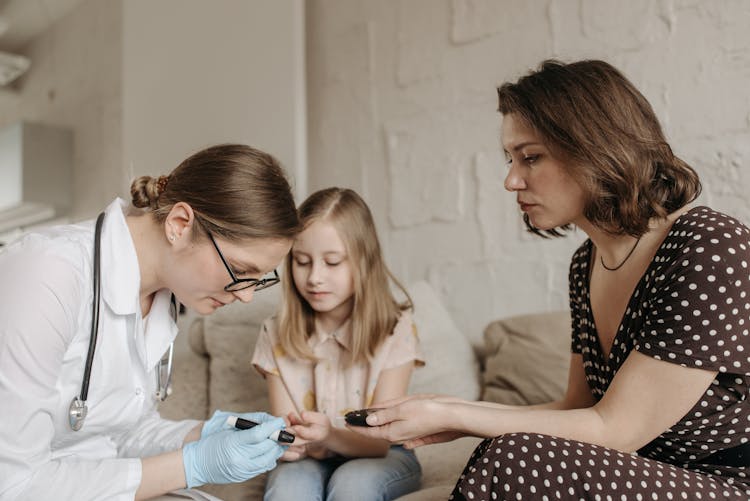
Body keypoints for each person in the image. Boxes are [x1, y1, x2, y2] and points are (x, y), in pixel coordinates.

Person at [348, 59, 750, 500]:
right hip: (635, 471)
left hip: (722, 484)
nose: (510, 180)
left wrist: (454, 414)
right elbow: (578, 409)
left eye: (531, 157)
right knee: (505, 447)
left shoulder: (710, 248)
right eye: (510, 159)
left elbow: (617, 427)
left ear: (596, 147)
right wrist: (450, 413)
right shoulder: (586, 264)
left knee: (516, 457)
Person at [0, 144, 300, 500]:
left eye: (260, 279)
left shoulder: (163, 297)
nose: (246, 295)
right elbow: (13, 485)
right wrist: (193, 464)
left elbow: (119, 434)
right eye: (240, 271)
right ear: (179, 224)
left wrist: (204, 435)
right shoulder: (48, 274)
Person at [251, 187, 423, 501]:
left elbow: (379, 441)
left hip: (382, 454)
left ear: (364, 262)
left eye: (332, 262)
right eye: (302, 261)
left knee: (352, 485)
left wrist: (329, 435)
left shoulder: (394, 329)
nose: (315, 277)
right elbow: (287, 433)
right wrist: (287, 442)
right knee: (289, 489)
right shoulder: (275, 331)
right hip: (309, 458)